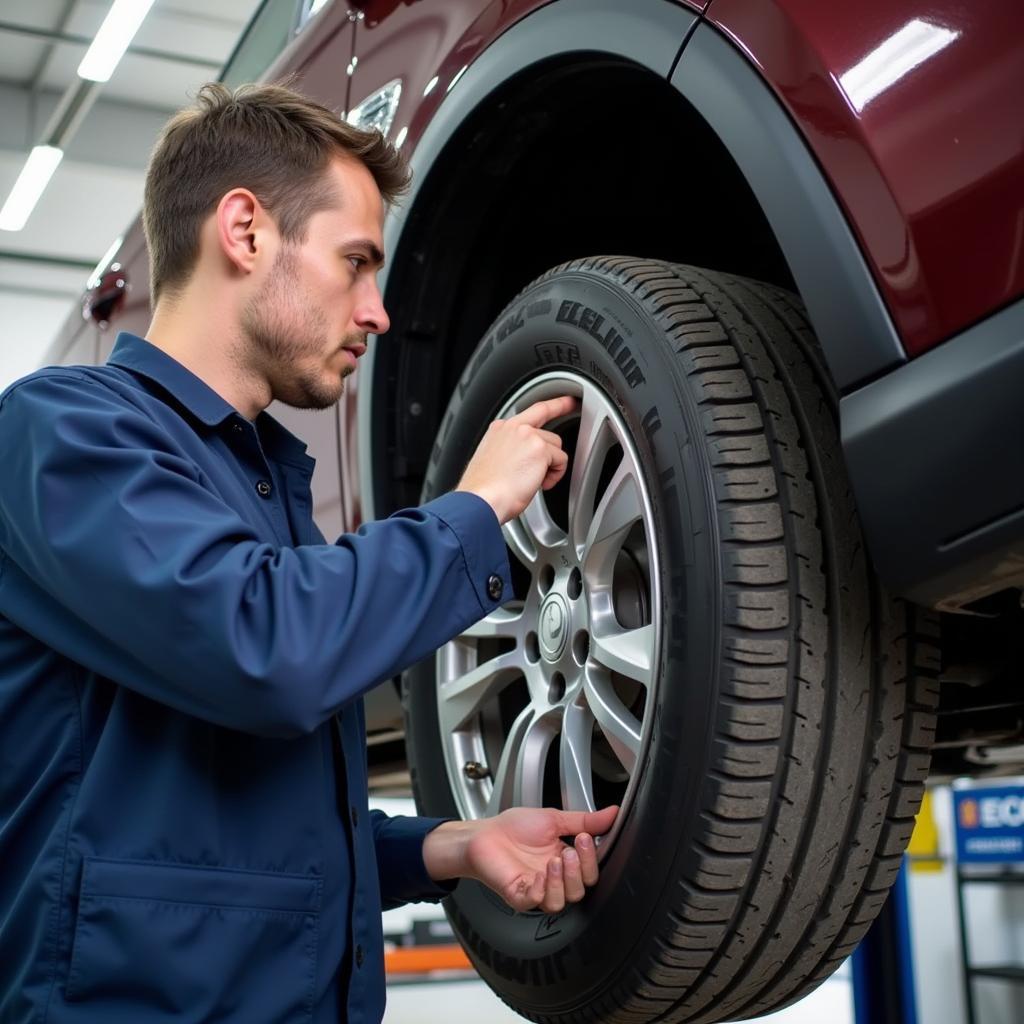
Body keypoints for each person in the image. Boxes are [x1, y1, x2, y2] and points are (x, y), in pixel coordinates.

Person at [0, 82, 617, 1023]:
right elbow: (273, 650)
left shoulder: (261, 488)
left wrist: (450, 846)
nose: (377, 312)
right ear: (244, 232)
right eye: (356, 262)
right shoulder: (64, 433)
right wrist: (476, 505)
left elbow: (241, 831)